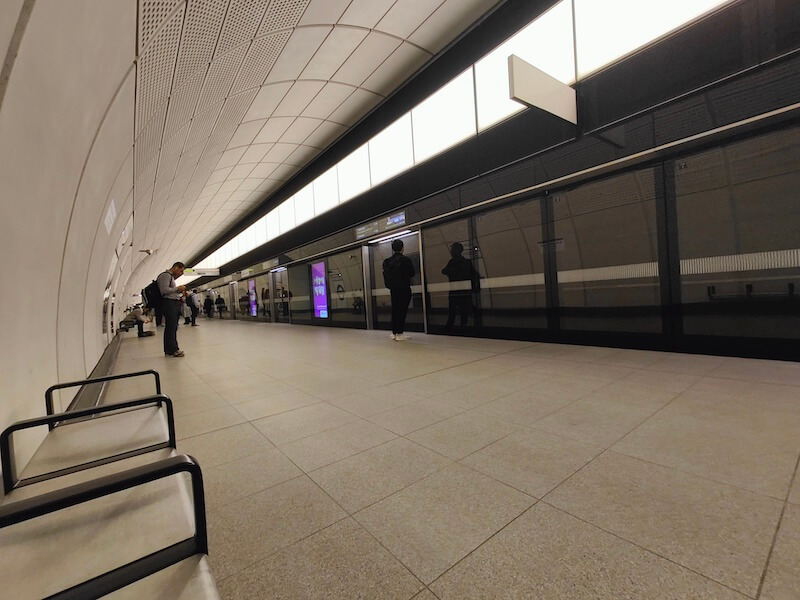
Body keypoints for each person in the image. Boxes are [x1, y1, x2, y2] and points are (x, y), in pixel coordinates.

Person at [382, 238, 415, 340]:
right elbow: (412, 273)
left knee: (395, 310)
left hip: (393, 289)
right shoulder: (406, 260)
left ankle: (394, 333)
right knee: (402, 310)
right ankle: (400, 333)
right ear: (402, 248)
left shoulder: (387, 262)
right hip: (404, 289)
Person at [441, 242, 479, 331]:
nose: (451, 251)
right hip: (465, 291)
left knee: (452, 311)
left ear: (457, 250)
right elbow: (475, 274)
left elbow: (444, 271)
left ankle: (449, 327)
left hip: (455, 291)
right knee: (463, 310)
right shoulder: (467, 262)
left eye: (452, 249)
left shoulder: (452, 262)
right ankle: (464, 326)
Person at [157, 262, 187, 357]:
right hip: (168, 304)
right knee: (171, 327)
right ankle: (173, 349)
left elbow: (170, 293)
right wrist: (177, 288)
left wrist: (180, 294)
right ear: (176, 267)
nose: (181, 273)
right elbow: (164, 290)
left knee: (172, 327)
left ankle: (170, 349)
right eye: (181, 270)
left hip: (172, 303)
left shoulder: (170, 277)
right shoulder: (165, 276)